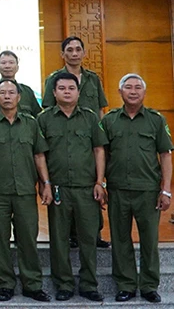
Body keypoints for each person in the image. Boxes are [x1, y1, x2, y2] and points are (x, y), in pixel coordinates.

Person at [102, 74, 173, 304]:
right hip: (118, 189)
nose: (133, 91)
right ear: (120, 91)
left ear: (144, 92)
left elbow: (165, 155)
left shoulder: (155, 119)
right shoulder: (110, 120)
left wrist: (166, 189)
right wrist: (101, 183)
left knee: (149, 241)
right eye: (128, 87)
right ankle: (126, 285)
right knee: (120, 239)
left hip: (148, 191)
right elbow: (101, 154)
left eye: (138, 87)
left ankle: (150, 286)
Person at [0, 79, 52, 302]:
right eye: (3, 93)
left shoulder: (31, 123)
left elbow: (39, 155)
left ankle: (32, 284)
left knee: (28, 238)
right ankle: (5, 284)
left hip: (25, 191)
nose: (7, 96)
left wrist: (46, 183)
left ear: (19, 97)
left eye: (12, 92)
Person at [36, 72, 107, 302]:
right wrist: (45, 183)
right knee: (59, 238)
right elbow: (40, 154)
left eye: (71, 88)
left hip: (87, 187)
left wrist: (100, 182)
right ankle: (64, 284)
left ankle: (89, 284)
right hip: (58, 188)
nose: (67, 91)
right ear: (54, 92)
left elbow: (99, 150)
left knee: (88, 237)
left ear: (78, 92)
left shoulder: (89, 117)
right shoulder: (44, 119)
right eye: (62, 88)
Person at [42, 36, 110, 249]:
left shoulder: (93, 78)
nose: (74, 53)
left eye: (78, 49)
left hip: (88, 137)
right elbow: (47, 109)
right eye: (69, 50)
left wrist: (98, 135)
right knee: (65, 192)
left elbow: (100, 109)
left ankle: (93, 234)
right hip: (62, 139)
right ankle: (71, 235)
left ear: (83, 52)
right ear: (62, 54)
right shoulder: (53, 79)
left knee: (90, 189)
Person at [0, 51, 42, 116]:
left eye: (11, 62)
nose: (7, 66)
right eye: (3, 63)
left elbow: (37, 117)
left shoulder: (27, 91)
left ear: (17, 67)